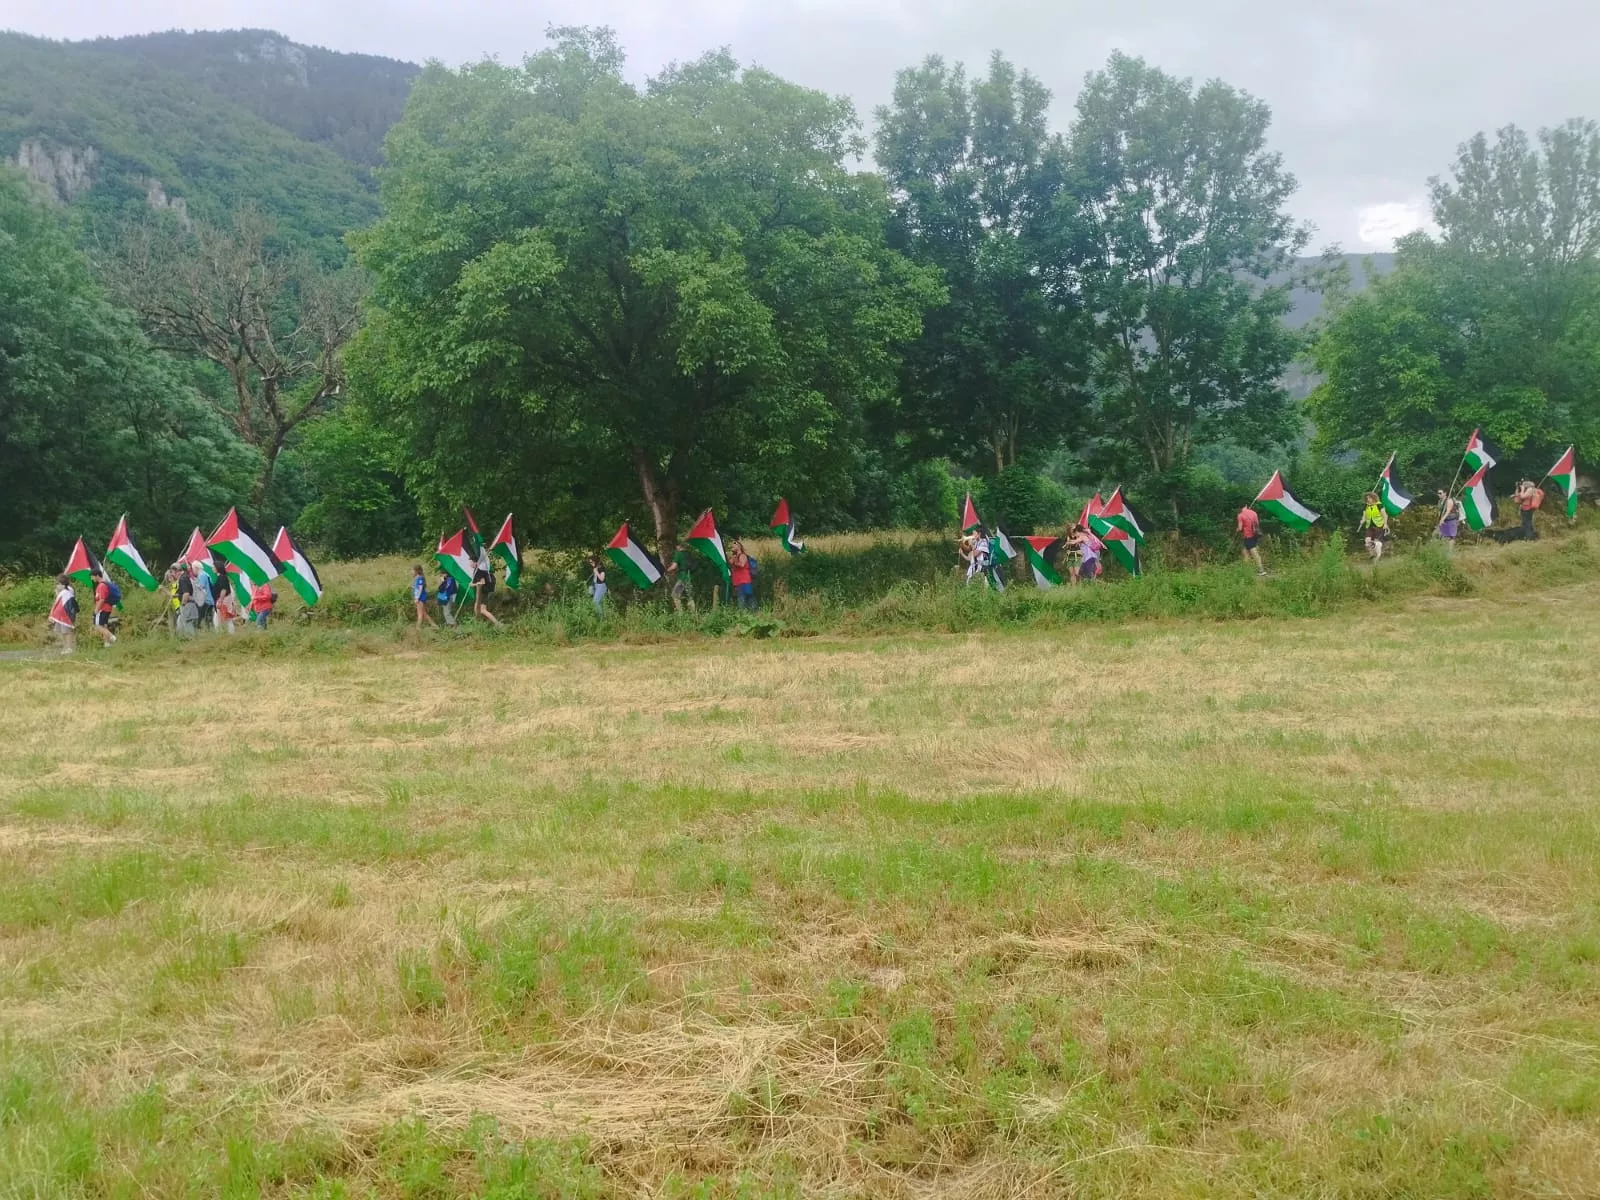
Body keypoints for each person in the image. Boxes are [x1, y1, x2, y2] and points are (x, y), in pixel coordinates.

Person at [49, 574, 77, 654]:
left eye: (58, 584)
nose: (56, 585)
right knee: (62, 632)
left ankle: (69, 647)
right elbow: (56, 603)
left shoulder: (68, 591)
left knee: (67, 631)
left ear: (62, 584)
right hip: (60, 615)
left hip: (66, 615)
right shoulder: (60, 592)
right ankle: (65, 647)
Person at [1359, 491, 1389, 562]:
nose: (1368, 499)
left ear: (1373, 498)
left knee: (1377, 542)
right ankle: (1372, 554)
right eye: (1367, 498)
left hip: (1379, 525)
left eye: (1370, 498)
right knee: (1367, 541)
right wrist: (1362, 520)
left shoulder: (1379, 505)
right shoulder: (1366, 506)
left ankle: (1378, 557)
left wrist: (1385, 524)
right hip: (1369, 526)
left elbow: (1385, 515)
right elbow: (1364, 516)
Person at [1237, 503, 1266, 575]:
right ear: (1246, 505)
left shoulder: (1240, 515)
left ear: (1239, 507)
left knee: (1254, 553)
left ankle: (1261, 570)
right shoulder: (1254, 512)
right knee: (1245, 552)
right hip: (1255, 535)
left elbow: (1240, 528)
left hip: (1248, 536)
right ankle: (1246, 571)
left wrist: (1237, 529)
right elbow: (1257, 524)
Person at [91, 571, 117, 647]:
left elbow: (101, 599)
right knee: (104, 626)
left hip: (102, 609)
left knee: (97, 625)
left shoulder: (101, 586)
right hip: (108, 608)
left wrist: (96, 610)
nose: (91, 578)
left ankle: (112, 637)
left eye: (92, 576)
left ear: (97, 576)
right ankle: (107, 643)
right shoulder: (105, 584)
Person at [472, 559, 501, 626]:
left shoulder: (479, 571)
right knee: (476, 608)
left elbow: (482, 582)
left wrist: (473, 584)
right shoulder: (477, 570)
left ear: (475, 562)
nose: (470, 564)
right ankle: (479, 623)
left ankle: (498, 624)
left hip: (482, 593)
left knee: (482, 610)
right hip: (481, 592)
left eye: (471, 562)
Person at [729, 540, 756, 609]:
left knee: (744, 599)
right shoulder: (734, 556)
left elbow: (742, 564)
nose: (732, 545)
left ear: (739, 546)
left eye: (734, 544)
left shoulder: (742, 555)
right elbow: (730, 562)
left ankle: (747, 615)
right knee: (745, 599)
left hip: (744, 581)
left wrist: (734, 562)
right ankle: (751, 614)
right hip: (738, 582)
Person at [412, 565, 437, 629]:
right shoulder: (417, 578)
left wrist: (417, 598)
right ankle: (434, 625)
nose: (411, 571)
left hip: (420, 598)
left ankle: (418, 627)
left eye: (412, 570)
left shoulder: (420, 578)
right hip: (418, 598)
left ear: (416, 571)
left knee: (420, 613)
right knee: (423, 613)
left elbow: (420, 589)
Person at [192, 563, 215, 630]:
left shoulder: (201, 576)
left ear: (196, 568)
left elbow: (200, 587)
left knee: (201, 619)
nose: (193, 571)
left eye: (193, 569)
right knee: (208, 618)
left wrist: (194, 584)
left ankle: (205, 633)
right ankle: (210, 633)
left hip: (205, 600)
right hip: (210, 600)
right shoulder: (206, 574)